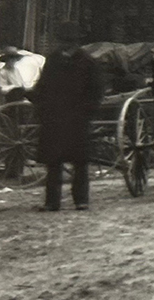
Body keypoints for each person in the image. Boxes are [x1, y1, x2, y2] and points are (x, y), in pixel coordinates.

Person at [30, 20, 106, 211]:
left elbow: (96, 92)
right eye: (63, 41)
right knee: (53, 163)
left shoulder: (88, 62)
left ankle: (81, 200)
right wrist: (29, 96)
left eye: (69, 42)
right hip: (54, 118)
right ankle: (52, 202)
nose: (65, 45)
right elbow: (43, 87)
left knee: (80, 163)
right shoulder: (53, 60)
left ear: (75, 43)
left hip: (77, 119)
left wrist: (86, 112)